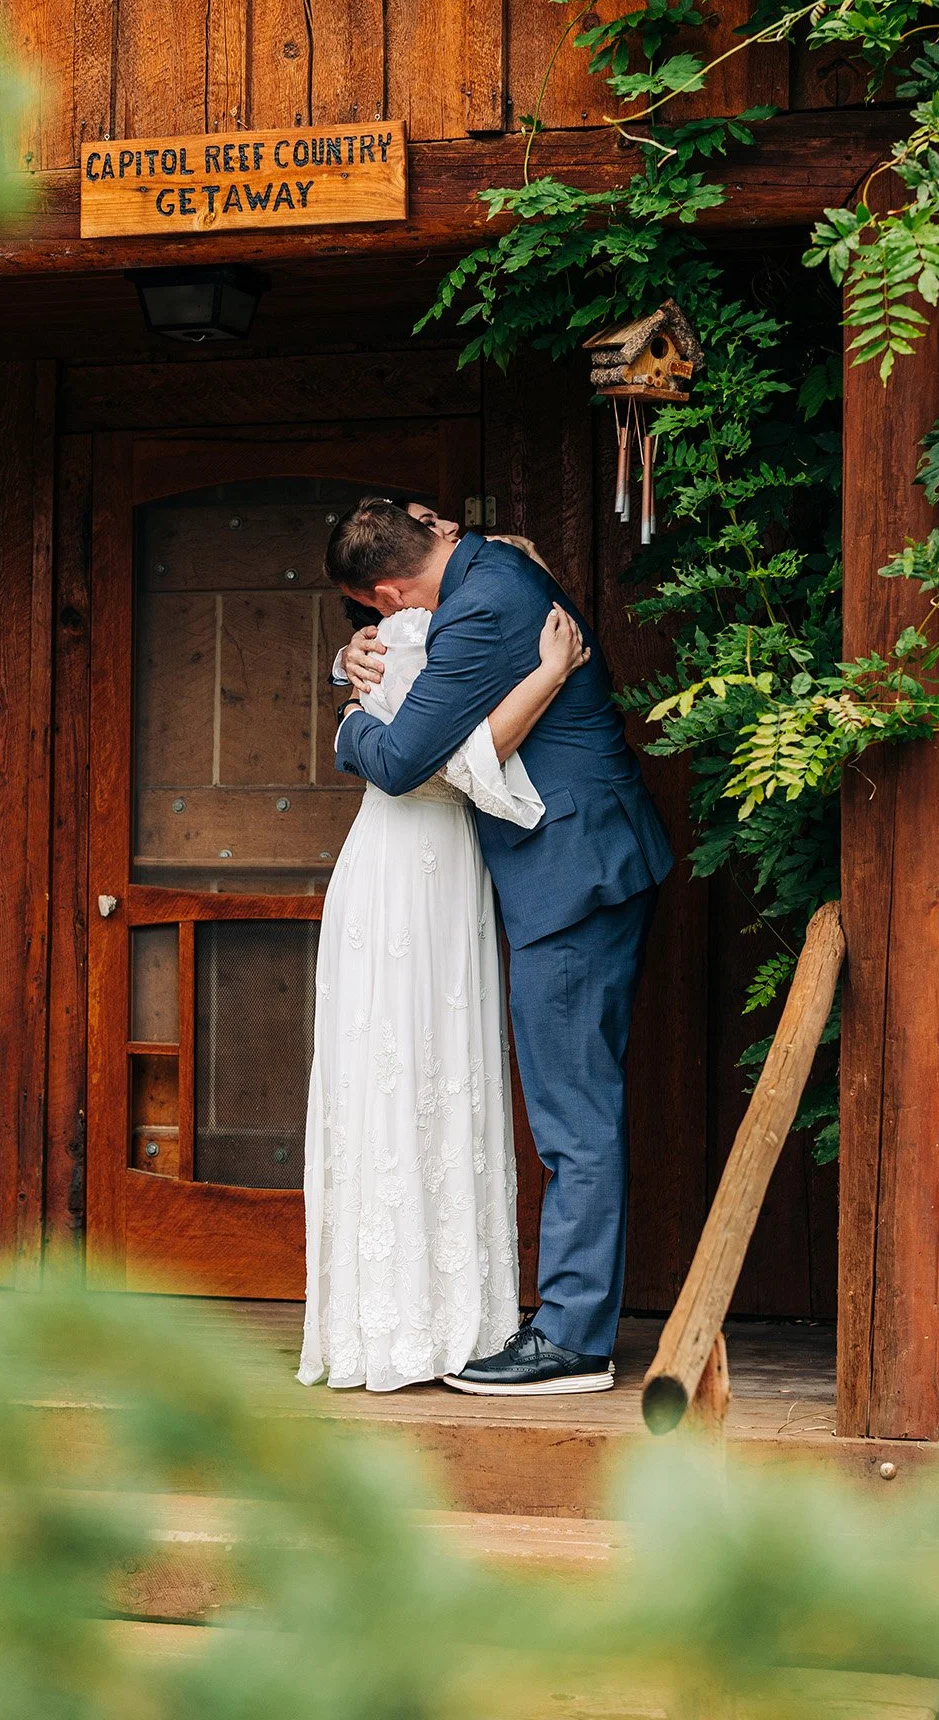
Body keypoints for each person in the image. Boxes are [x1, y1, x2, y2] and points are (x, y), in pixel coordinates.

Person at [327, 498, 673, 1395]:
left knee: (572, 1115)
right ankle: (568, 1325)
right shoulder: (486, 570)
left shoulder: (480, 606)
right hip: (574, 863)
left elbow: (401, 762)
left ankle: (572, 1340)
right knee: (572, 1106)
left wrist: (349, 719)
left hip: (574, 872)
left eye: (377, 612)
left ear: (388, 591)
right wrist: (347, 660)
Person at [299, 507, 590, 1393]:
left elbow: (428, 755)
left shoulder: (476, 601)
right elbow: (424, 764)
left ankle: (453, 1314)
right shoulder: (433, 619)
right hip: (406, 863)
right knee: (396, 1068)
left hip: (448, 862)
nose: (459, 532)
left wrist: (350, 700)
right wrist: (349, 702)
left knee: (438, 1073)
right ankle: (407, 1315)